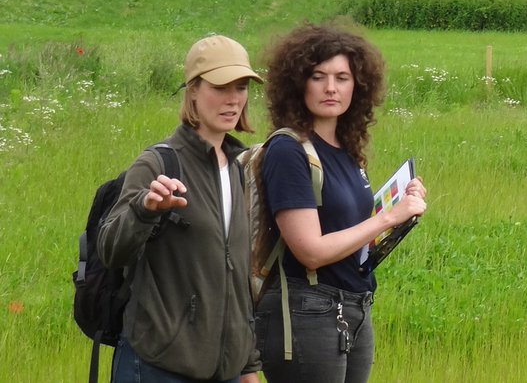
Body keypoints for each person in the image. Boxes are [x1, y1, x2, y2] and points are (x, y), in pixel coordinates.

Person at [253, 21, 427, 383]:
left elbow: (349, 229)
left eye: (342, 77)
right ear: (298, 82)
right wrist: (387, 219)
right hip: (308, 311)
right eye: (318, 76)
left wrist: (400, 206)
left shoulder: (345, 151)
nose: (331, 88)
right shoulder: (289, 151)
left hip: (355, 306)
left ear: (358, 86)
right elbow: (311, 251)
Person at [98, 35, 263, 382]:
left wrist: (248, 366)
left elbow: (236, 278)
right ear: (192, 90)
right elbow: (110, 248)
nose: (233, 99)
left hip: (224, 369)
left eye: (242, 86)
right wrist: (144, 210)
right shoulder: (158, 163)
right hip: (159, 365)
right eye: (220, 87)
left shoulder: (237, 167)